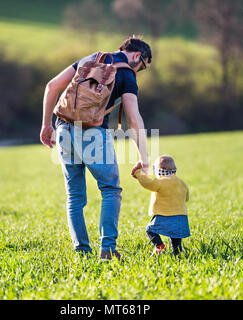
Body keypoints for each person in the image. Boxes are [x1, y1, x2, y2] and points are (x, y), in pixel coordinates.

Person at [40, 36, 152, 260]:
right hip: (92, 134)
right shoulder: (127, 74)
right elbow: (133, 117)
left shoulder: (90, 59)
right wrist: (144, 158)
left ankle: (81, 252)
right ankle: (108, 250)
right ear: (137, 56)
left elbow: (52, 86)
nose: (139, 71)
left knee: (74, 196)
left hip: (63, 129)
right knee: (110, 189)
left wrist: (46, 125)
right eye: (143, 66)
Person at [132, 155, 190, 256]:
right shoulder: (182, 183)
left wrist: (138, 173)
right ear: (174, 170)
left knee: (150, 230)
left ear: (158, 171)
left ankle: (159, 246)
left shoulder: (161, 182)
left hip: (164, 215)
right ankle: (177, 254)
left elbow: (147, 183)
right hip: (181, 217)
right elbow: (187, 198)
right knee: (175, 238)